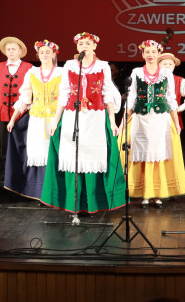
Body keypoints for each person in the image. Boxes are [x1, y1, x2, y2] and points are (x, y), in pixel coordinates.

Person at [42, 32, 126, 214]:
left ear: (95, 46)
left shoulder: (103, 66)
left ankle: (93, 203)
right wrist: (55, 121)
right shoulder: (70, 66)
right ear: (77, 47)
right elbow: (64, 94)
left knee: (93, 157)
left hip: (95, 118)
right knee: (73, 156)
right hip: (73, 117)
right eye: (81, 44)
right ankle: (74, 203)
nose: (84, 46)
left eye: (88, 43)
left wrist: (112, 121)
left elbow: (107, 95)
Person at [123, 40, 185, 207]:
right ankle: (145, 193)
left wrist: (176, 122)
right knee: (142, 154)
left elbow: (171, 98)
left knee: (158, 155)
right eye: (147, 52)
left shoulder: (166, 74)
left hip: (160, 119)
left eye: (153, 52)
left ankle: (157, 193)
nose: (150, 54)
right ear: (143, 54)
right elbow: (132, 97)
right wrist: (124, 120)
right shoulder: (137, 72)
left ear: (159, 54)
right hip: (141, 118)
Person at [5, 39, 64, 200]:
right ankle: (40, 192)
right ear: (37, 55)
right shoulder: (32, 73)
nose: (44, 54)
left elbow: (65, 97)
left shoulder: (61, 73)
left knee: (54, 152)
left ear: (53, 54)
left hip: (55, 117)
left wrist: (58, 119)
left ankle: (56, 192)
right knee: (39, 152)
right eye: (42, 52)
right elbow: (24, 98)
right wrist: (12, 119)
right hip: (37, 118)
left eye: (48, 52)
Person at [0, 36, 33, 179]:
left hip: (22, 114)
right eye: (8, 49)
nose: (10, 51)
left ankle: (22, 176)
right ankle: (4, 177)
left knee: (22, 145)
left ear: (20, 51)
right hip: (3, 113)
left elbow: (36, 89)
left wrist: (29, 106)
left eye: (13, 49)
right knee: (4, 146)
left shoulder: (30, 68)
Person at [158, 52, 185, 130]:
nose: (167, 66)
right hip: (154, 120)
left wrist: (181, 108)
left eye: (170, 64)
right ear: (158, 65)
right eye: (165, 64)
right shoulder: (151, 79)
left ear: (174, 66)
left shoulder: (179, 81)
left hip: (172, 120)